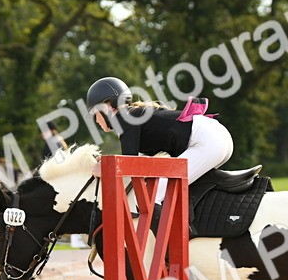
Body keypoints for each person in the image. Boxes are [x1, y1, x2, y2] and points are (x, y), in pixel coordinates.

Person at [86, 76, 233, 205]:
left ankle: (168, 236)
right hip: (216, 138)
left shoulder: (124, 117)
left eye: (94, 114)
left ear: (105, 106)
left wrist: (106, 170)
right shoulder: (132, 115)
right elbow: (142, 162)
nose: (96, 121)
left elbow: (128, 165)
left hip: (209, 141)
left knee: (149, 196)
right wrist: (108, 161)